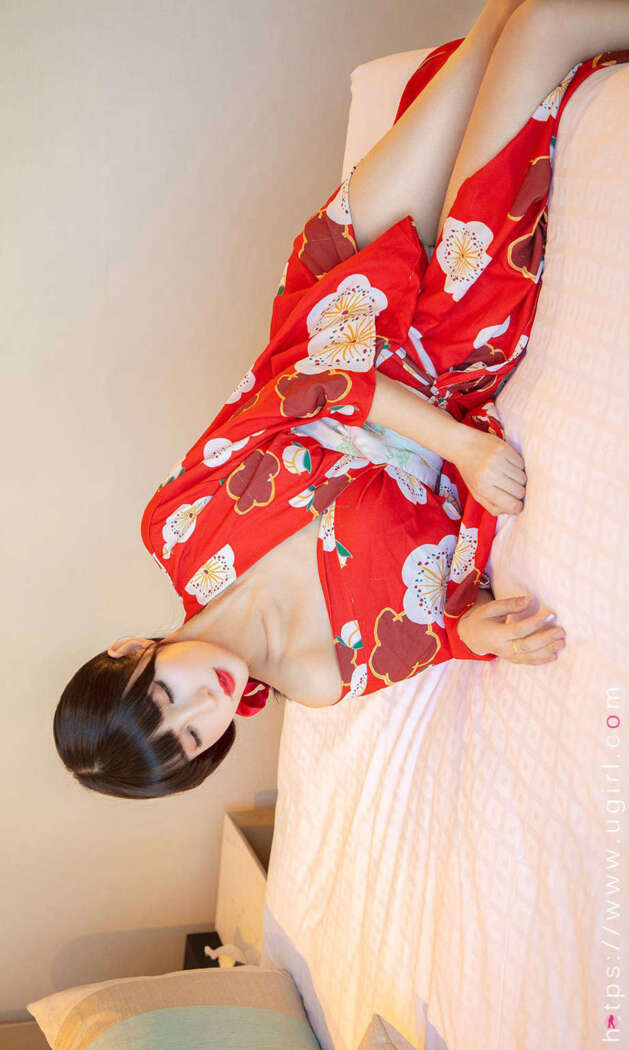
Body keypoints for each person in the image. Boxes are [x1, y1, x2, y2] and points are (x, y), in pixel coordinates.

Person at [54, 0, 629, 799]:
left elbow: (297, 389)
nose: (202, 708)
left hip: (337, 303)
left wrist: (464, 450)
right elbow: (432, 629)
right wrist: (476, 631)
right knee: (543, 30)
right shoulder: (322, 677)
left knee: (497, 26)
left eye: (163, 697)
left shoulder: (176, 527)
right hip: (438, 354)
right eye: (189, 739)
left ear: (127, 652)